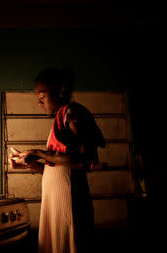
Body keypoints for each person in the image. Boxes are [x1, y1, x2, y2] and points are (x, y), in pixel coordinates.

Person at [10, 68, 105, 253]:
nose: (39, 102)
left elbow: (81, 161)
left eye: (42, 95)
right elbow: (56, 169)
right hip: (54, 203)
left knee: (69, 244)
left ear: (60, 90)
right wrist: (30, 163)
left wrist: (38, 152)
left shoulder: (73, 112)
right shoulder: (59, 120)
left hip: (69, 202)